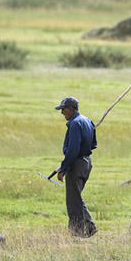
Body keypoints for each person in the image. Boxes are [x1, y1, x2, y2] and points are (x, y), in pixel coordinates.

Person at [55, 96, 98, 238]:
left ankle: (77, 233)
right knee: (77, 198)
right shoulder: (87, 121)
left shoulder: (74, 124)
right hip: (87, 163)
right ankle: (90, 227)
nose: (62, 113)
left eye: (63, 110)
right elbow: (93, 144)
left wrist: (63, 168)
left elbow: (73, 150)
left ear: (71, 109)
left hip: (77, 164)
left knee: (73, 202)